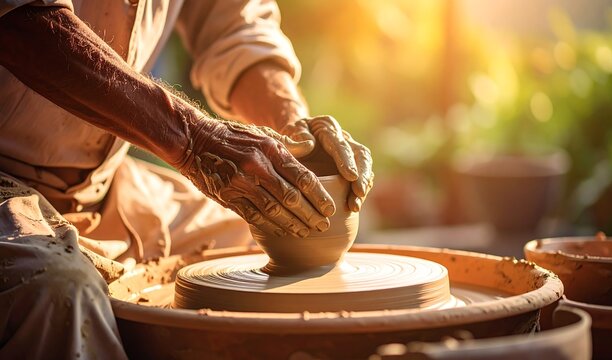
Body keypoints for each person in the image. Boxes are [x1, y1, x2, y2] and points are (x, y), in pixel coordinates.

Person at [0, 1, 373, 358]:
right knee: (56, 288)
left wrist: (293, 135)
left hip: (106, 182)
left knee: (254, 238)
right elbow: (21, 21)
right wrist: (193, 139)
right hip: (6, 179)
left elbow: (235, 26)